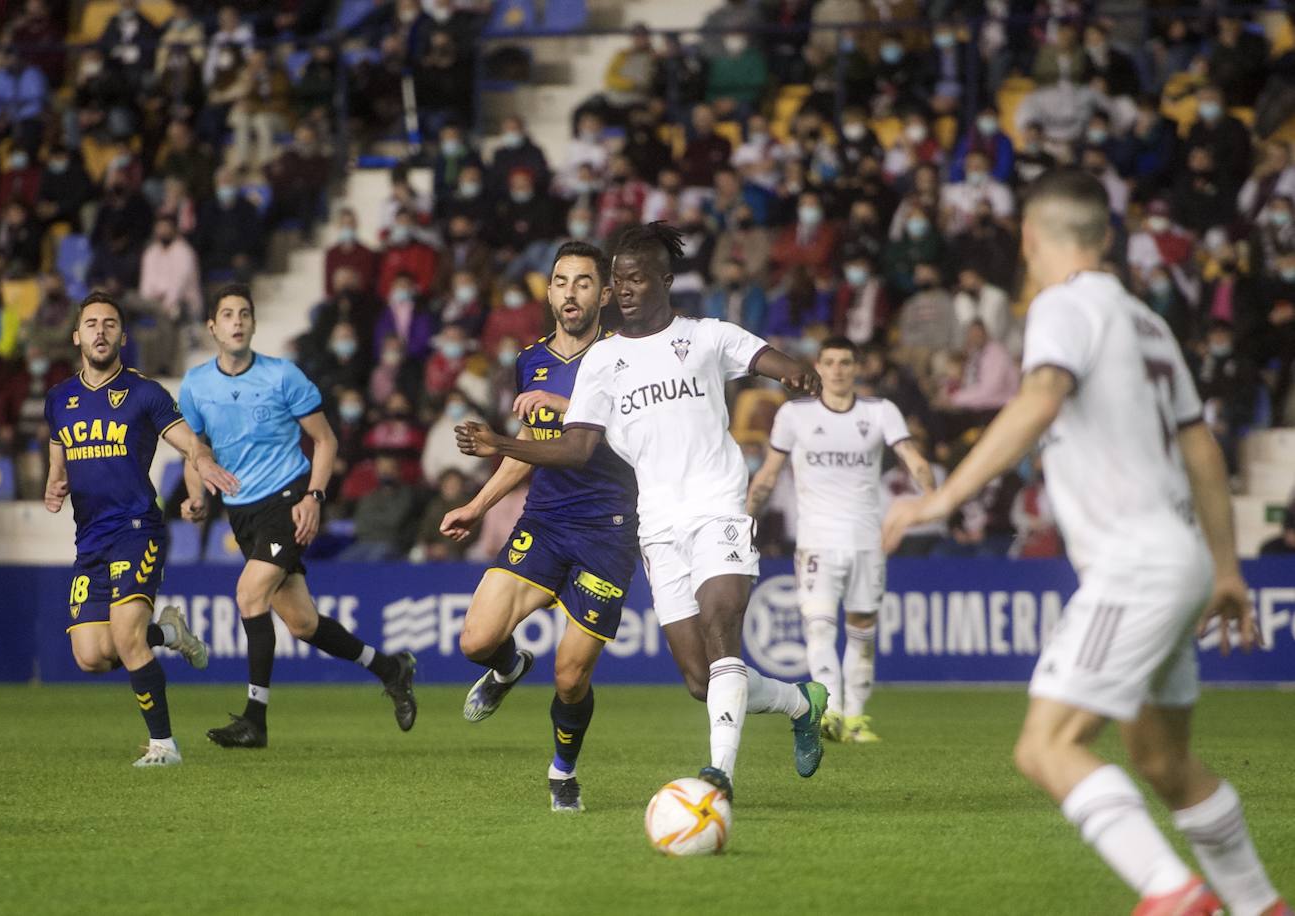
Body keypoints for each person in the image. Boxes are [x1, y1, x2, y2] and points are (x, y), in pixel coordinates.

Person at [883, 169, 1288, 916]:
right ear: (1106, 238)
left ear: (1031, 239)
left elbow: (1040, 397)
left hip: (1133, 561)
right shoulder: (1146, 320)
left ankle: (1172, 894)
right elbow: (1201, 449)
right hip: (1183, 556)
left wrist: (939, 497)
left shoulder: (1063, 307)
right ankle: (1262, 905)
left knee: (1046, 746)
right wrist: (1225, 568)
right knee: (1162, 760)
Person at [456, 223, 829, 801]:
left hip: (711, 509)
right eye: (619, 279)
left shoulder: (705, 336)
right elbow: (576, 446)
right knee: (700, 680)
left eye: (634, 278)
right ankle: (800, 701)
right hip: (654, 525)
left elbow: (764, 359)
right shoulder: (604, 362)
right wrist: (500, 448)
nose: (624, 288)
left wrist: (797, 373)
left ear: (664, 280)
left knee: (720, 627)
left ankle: (718, 776)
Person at [438, 242, 638, 813]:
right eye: (560, 281)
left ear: (602, 295)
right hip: (546, 521)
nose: (569, 293)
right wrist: (478, 505)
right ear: (548, 292)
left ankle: (562, 772)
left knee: (571, 677)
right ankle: (507, 666)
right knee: (476, 640)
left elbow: (617, 434)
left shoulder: (627, 356)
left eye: (582, 283)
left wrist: (563, 399)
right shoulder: (530, 360)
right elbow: (531, 449)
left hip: (608, 528)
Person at [178, 285, 417, 749]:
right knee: (304, 624)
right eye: (227, 314)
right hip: (242, 513)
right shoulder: (195, 385)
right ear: (212, 327)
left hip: (287, 501)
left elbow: (325, 441)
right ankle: (392, 668)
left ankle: (255, 719)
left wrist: (314, 497)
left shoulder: (283, 376)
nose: (237, 321)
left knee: (249, 595)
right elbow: (196, 450)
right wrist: (197, 499)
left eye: (244, 313)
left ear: (252, 322)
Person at [43, 292, 234, 767]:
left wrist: (202, 461)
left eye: (110, 324)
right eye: (91, 324)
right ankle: (168, 634)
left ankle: (164, 746)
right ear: (77, 336)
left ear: (123, 337)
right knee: (92, 656)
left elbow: (188, 440)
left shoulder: (144, 393)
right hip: (89, 540)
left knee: (127, 635)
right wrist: (54, 479)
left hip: (136, 529)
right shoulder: (59, 399)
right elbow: (57, 443)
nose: (100, 331)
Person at [748, 337, 934, 744]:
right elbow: (768, 475)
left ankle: (856, 717)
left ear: (857, 367)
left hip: (866, 539)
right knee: (818, 627)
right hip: (816, 540)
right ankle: (830, 712)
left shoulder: (880, 412)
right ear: (819, 366)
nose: (837, 370)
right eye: (829, 362)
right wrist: (744, 519)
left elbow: (913, 458)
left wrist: (931, 494)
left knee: (862, 629)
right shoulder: (795, 415)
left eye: (845, 363)